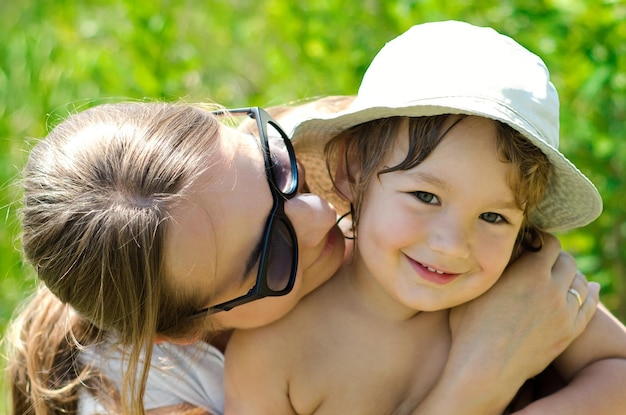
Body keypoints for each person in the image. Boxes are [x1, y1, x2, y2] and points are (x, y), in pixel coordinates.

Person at [2, 100, 597, 413]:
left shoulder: (343, 149)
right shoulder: (169, 402)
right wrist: (475, 385)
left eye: (274, 168)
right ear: (182, 334)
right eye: (271, 251)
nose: (317, 214)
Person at [223, 21, 626, 415]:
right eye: (426, 196)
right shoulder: (274, 353)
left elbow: (617, 371)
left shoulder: (521, 281)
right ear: (352, 171)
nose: (451, 245)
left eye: (493, 216)